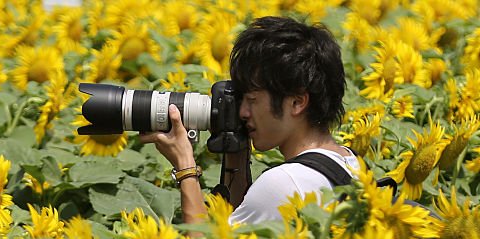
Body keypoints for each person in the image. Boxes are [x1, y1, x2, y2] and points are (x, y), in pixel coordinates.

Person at [139, 16, 358, 225]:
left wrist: (185, 166)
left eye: (252, 99)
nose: (242, 112)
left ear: (297, 103)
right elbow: (241, 234)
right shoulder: (352, 164)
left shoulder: (284, 184)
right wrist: (236, 155)